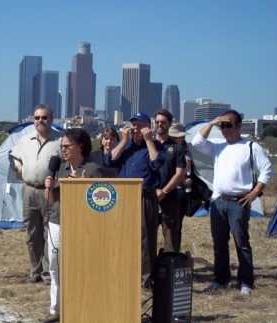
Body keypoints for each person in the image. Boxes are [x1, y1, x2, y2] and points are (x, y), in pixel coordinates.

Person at [192, 109, 273, 296]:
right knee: (219, 244)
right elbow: (197, 142)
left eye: (229, 125)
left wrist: (254, 192)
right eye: (222, 126)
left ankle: (245, 281)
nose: (225, 129)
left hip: (239, 203)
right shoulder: (218, 146)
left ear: (239, 126)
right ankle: (220, 279)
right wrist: (213, 122)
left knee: (241, 243)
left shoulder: (250, 147)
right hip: (219, 201)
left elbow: (267, 170)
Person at [41, 128, 104, 323]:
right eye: (62, 146)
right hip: (58, 222)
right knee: (55, 266)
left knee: (80, 267)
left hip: (82, 226)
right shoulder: (60, 168)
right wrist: (48, 187)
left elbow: (101, 201)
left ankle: (82, 307)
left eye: (68, 145)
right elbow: (51, 200)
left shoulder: (93, 169)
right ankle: (56, 311)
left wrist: (84, 186)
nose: (64, 149)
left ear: (81, 146)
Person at [104, 113, 166, 289]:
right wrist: (122, 141)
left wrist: (148, 140)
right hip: (123, 197)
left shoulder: (155, 146)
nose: (136, 129)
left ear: (149, 127)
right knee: (122, 236)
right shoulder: (126, 146)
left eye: (140, 125)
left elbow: (157, 163)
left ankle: (145, 279)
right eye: (133, 125)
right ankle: (124, 273)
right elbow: (109, 160)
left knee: (145, 238)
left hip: (145, 196)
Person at [9, 104, 63, 285]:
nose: (40, 121)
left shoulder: (60, 140)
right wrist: (19, 167)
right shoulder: (25, 140)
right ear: (33, 119)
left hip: (50, 191)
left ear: (51, 119)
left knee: (50, 232)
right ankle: (35, 270)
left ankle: (48, 272)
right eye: (37, 117)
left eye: (44, 117)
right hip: (29, 190)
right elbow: (13, 156)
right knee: (32, 233)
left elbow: (67, 162)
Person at [154, 110, 186, 253]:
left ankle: (169, 271)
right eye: (157, 122)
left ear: (170, 124)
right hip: (149, 198)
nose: (160, 125)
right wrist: (154, 191)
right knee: (145, 238)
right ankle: (148, 272)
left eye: (163, 122)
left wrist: (164, 191)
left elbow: (179, 174)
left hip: (170, 199)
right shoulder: (147, 145)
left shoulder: (177, 148)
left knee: (171, 240)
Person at [168, 123, 193, 249]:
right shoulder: (164, 149)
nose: (181, 138)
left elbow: (184, 170)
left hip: (178, 191)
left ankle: (174, 253)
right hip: (166, 190)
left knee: (176, 225)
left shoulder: (185, 152)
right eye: (179, 137)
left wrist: (180, 177)